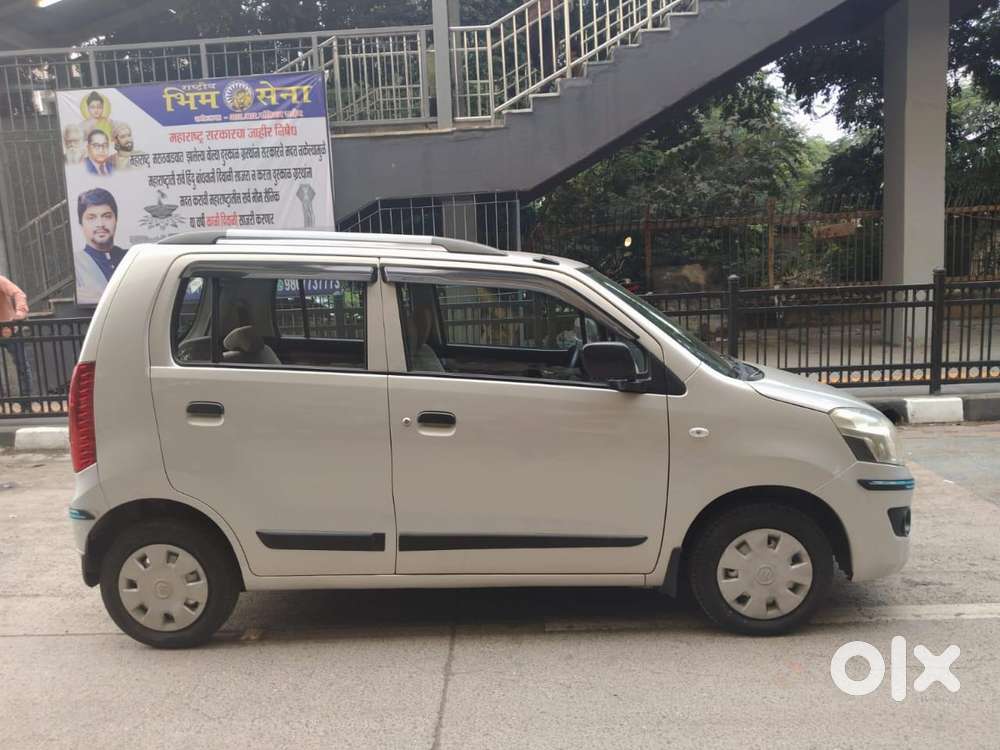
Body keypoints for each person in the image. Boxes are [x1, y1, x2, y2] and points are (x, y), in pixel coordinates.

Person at [75, 188, 128, 304]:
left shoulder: (130, 258)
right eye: (91, 218)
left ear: (116, 219)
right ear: (81, 224)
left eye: (107, 216)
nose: (100, 224)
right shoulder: (76, 264)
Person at [0, 273, 32, 402]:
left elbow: (18, 293)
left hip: (9, 329)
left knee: (22, 365)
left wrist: (21, 312)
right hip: (7, 328)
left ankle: (26, 400)